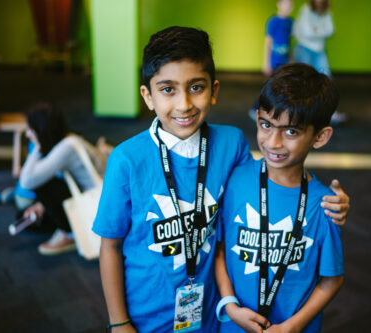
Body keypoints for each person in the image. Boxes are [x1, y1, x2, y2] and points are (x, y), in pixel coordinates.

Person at [92, 26, 350, 333]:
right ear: (148, 96)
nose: (184, 104)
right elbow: (109, 247)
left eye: (196, 87)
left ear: (214, 90)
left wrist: (329, 201)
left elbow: (272, 182)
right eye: (167, 89)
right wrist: (119, 322)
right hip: (146, 317)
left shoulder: (232, 144)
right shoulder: (126, 160)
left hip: (213, 314)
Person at [215, 63, 344, 333]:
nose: (273, 142)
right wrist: (229, 306)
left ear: (320, 137)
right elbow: (220, 248)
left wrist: (292, 327)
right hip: (234, 324)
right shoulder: (234, 180)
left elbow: (330, 280)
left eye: (291, 131)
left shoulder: (325, 205)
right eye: (266, 125)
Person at [18, 102, 109, 255]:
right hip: (90, 196)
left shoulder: (66, 148)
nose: (27, 134)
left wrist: (38, 145)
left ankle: (70, 234)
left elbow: (26, 181)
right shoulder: (66, 139)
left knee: (42, 184)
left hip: (97, 205)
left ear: (40, 129)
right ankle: (66, 229)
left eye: (30, 129)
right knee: (25, 217)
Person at [292, 0, 346, 125]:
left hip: (319, 50)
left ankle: (330, 113)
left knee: (327, 80)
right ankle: (300, 114)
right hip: (303, 48)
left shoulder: (327, 11)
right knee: (303, 82)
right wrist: (320, 31)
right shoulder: (306, 9)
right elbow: (305, 32)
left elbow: (331, 30)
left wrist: (315, 30)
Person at [249, 0, 294, 121]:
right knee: (271, 87)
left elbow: (288, 42)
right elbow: (268, 42)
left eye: (291, 4)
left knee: (283, 87)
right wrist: (266, 62)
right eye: (285, 4)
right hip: (274, 61)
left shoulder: (290, 22)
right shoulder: (273, 21)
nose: (288, 7)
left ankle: (280, 112)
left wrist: (291, 59)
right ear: (278, 4)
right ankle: (255, 109)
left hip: (285, 61)